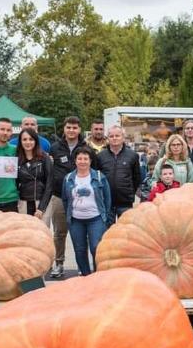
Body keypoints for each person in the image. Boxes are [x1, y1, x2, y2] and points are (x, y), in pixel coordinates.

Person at [48, 116, 90, 278]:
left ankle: (82, 265)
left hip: (81, 197)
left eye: (74, 128)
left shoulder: (86, 147)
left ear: (79, 130)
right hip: (59, 195)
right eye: (68, 127)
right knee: (59, 233)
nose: (71, 130)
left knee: (81, 233)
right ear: (64, 129)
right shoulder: (55, 148)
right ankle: (59, 263)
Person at [61, 147, 110, 276]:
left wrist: (104, 217)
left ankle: (97, 275)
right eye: (79, 158)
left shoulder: (99, 177)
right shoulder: (68, 179)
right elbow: (65, 199)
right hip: (76, 220)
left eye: (85, 159)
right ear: (75, 161)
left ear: (90, 160)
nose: (82, 161)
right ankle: (86, 275)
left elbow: (107, 199)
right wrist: (69, 215)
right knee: (79, 250)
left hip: (96, 219)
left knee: (96, 248)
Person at [96, 125, 141, 224]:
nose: (114, 138)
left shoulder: (132, 156)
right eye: (111, 136)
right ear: (107, 138)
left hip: (125, 202)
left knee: (124, 232)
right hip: (106, 202)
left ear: (123, 138)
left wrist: (129, 191)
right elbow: (96, 177)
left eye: (117, 135)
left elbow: (136, 178)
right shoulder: (100, 156)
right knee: (107, 232)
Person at [15, 128, 53, 218]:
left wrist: (41, 208)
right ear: (20, 142)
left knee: (41, 231)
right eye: (24, 139)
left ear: (36, 141)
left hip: (41, 202)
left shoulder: (44, 158)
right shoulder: (16, 159)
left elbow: (49, 184)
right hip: (23, 202)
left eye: (31, 139)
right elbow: (14, 183)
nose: (28, 142)